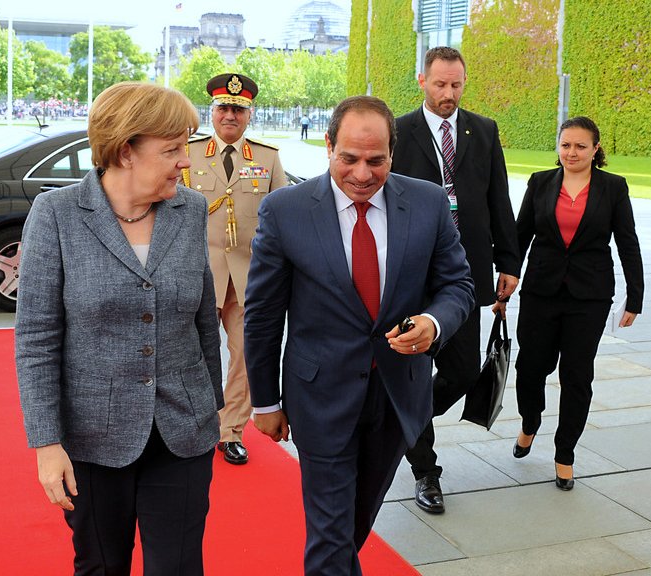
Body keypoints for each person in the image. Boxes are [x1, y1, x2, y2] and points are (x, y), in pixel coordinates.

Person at [245, 95, 474, 575]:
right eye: (349, 158)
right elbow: (263, 314)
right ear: (328, 146)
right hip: (319, 395)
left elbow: (457, 285)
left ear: (393, 152)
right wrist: (265, 402)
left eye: (377, 159)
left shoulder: (428, 202)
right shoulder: (285, 211)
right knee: (330, 533)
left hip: (397, 396)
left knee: (353, 521)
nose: (363, 173)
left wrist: (433, 324)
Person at [16, 81, 223, 575]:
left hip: (183, 429)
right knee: (102, 566)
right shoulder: (57, 214)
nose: (186, 161)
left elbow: (203, 314)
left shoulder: (190, 209)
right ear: (126, 150)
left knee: (177, 567)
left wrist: (211, 405)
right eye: (172, 149)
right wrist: (46, 445)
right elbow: (36, 340)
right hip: (91, 436)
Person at [390, 45, 520, 513]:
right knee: (414, 370)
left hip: (463, 273)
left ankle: (402, 419)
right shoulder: (398, 132)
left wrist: (509, 261)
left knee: (464, 371)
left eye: (456, 85)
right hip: (409, 276)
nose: (448, 94)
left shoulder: (482, 130)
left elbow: (498, 198)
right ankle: (426, 471)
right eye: (440, 84)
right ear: (422, 80)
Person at [513, 116, 643, 489]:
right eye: (565, 145)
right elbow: (521, 234)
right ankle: (530, 421)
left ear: (595, 149)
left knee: (577, 376)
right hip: (540, 291)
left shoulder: (613, 188)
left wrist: (635, 295)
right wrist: (505, 282)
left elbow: (627, 242)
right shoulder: (540, 182)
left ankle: (564, 452)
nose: (571, 152)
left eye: (580, 146)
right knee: (531, 367)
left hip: (589, 296)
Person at [183, 72, 287, 465]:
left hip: (248, 277)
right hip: (199, 273)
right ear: (212, 111)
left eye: (238, 110)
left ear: (250, 115)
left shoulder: (267, 157)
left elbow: (280, 219)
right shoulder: (189, 154)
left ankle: (230, 431)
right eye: (224, 108)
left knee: (245, 354)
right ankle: (192, 421)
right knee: (189, 352)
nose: (230, 116)